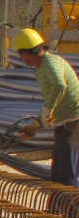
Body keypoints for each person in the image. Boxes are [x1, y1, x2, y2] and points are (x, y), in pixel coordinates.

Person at [15, 28, 79, 186]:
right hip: (66, 120)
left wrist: (47, 110)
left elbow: (59, 86)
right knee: (58, 168)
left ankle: (71, 209)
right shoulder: (42, 66)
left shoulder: (50, 63)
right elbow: (51, 97)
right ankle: (57, 207)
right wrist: (36, 124)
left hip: (73, 119)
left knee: (67, 170)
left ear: (25, 53)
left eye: (20, 55)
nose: (21, 59)